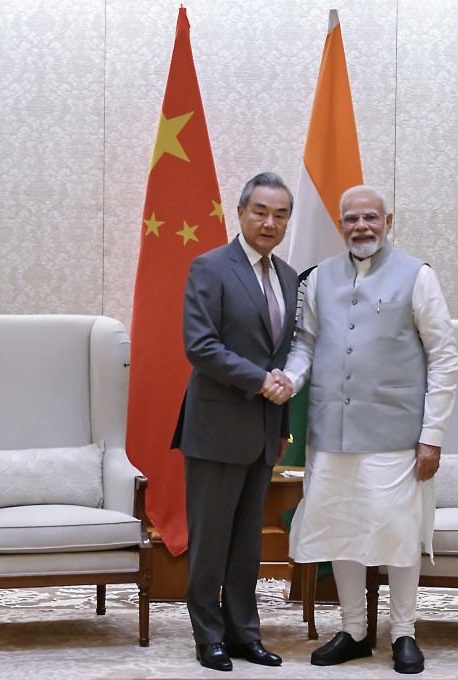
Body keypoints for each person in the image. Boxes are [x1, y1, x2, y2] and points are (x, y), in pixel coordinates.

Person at [266, 184, 458, 674]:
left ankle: (405, 633)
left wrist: (432, 434)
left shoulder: (418, 275)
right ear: (341, 224)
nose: (361, 227)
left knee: (397, 536)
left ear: (388, 221)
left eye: (371, 218)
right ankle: (354, 630)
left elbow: (444, 357)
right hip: (330, 433)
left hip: (395, 436)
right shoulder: (320, 279)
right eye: (351, 219)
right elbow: (305, 344)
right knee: (341, 533)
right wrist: (289, 380)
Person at [170, 172, 298, 672]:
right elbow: (200, 346)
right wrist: (259, 382)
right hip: (216, 429)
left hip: (265, 433)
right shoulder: (209, 267)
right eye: (260, 212)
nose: (270, 222)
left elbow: (284, 354)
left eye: (280, 214)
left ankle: (245, 633)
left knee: (246, 545)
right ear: (240, 213)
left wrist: (283, 423)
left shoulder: (289, 277)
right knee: (211, 542)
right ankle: (209, 636)